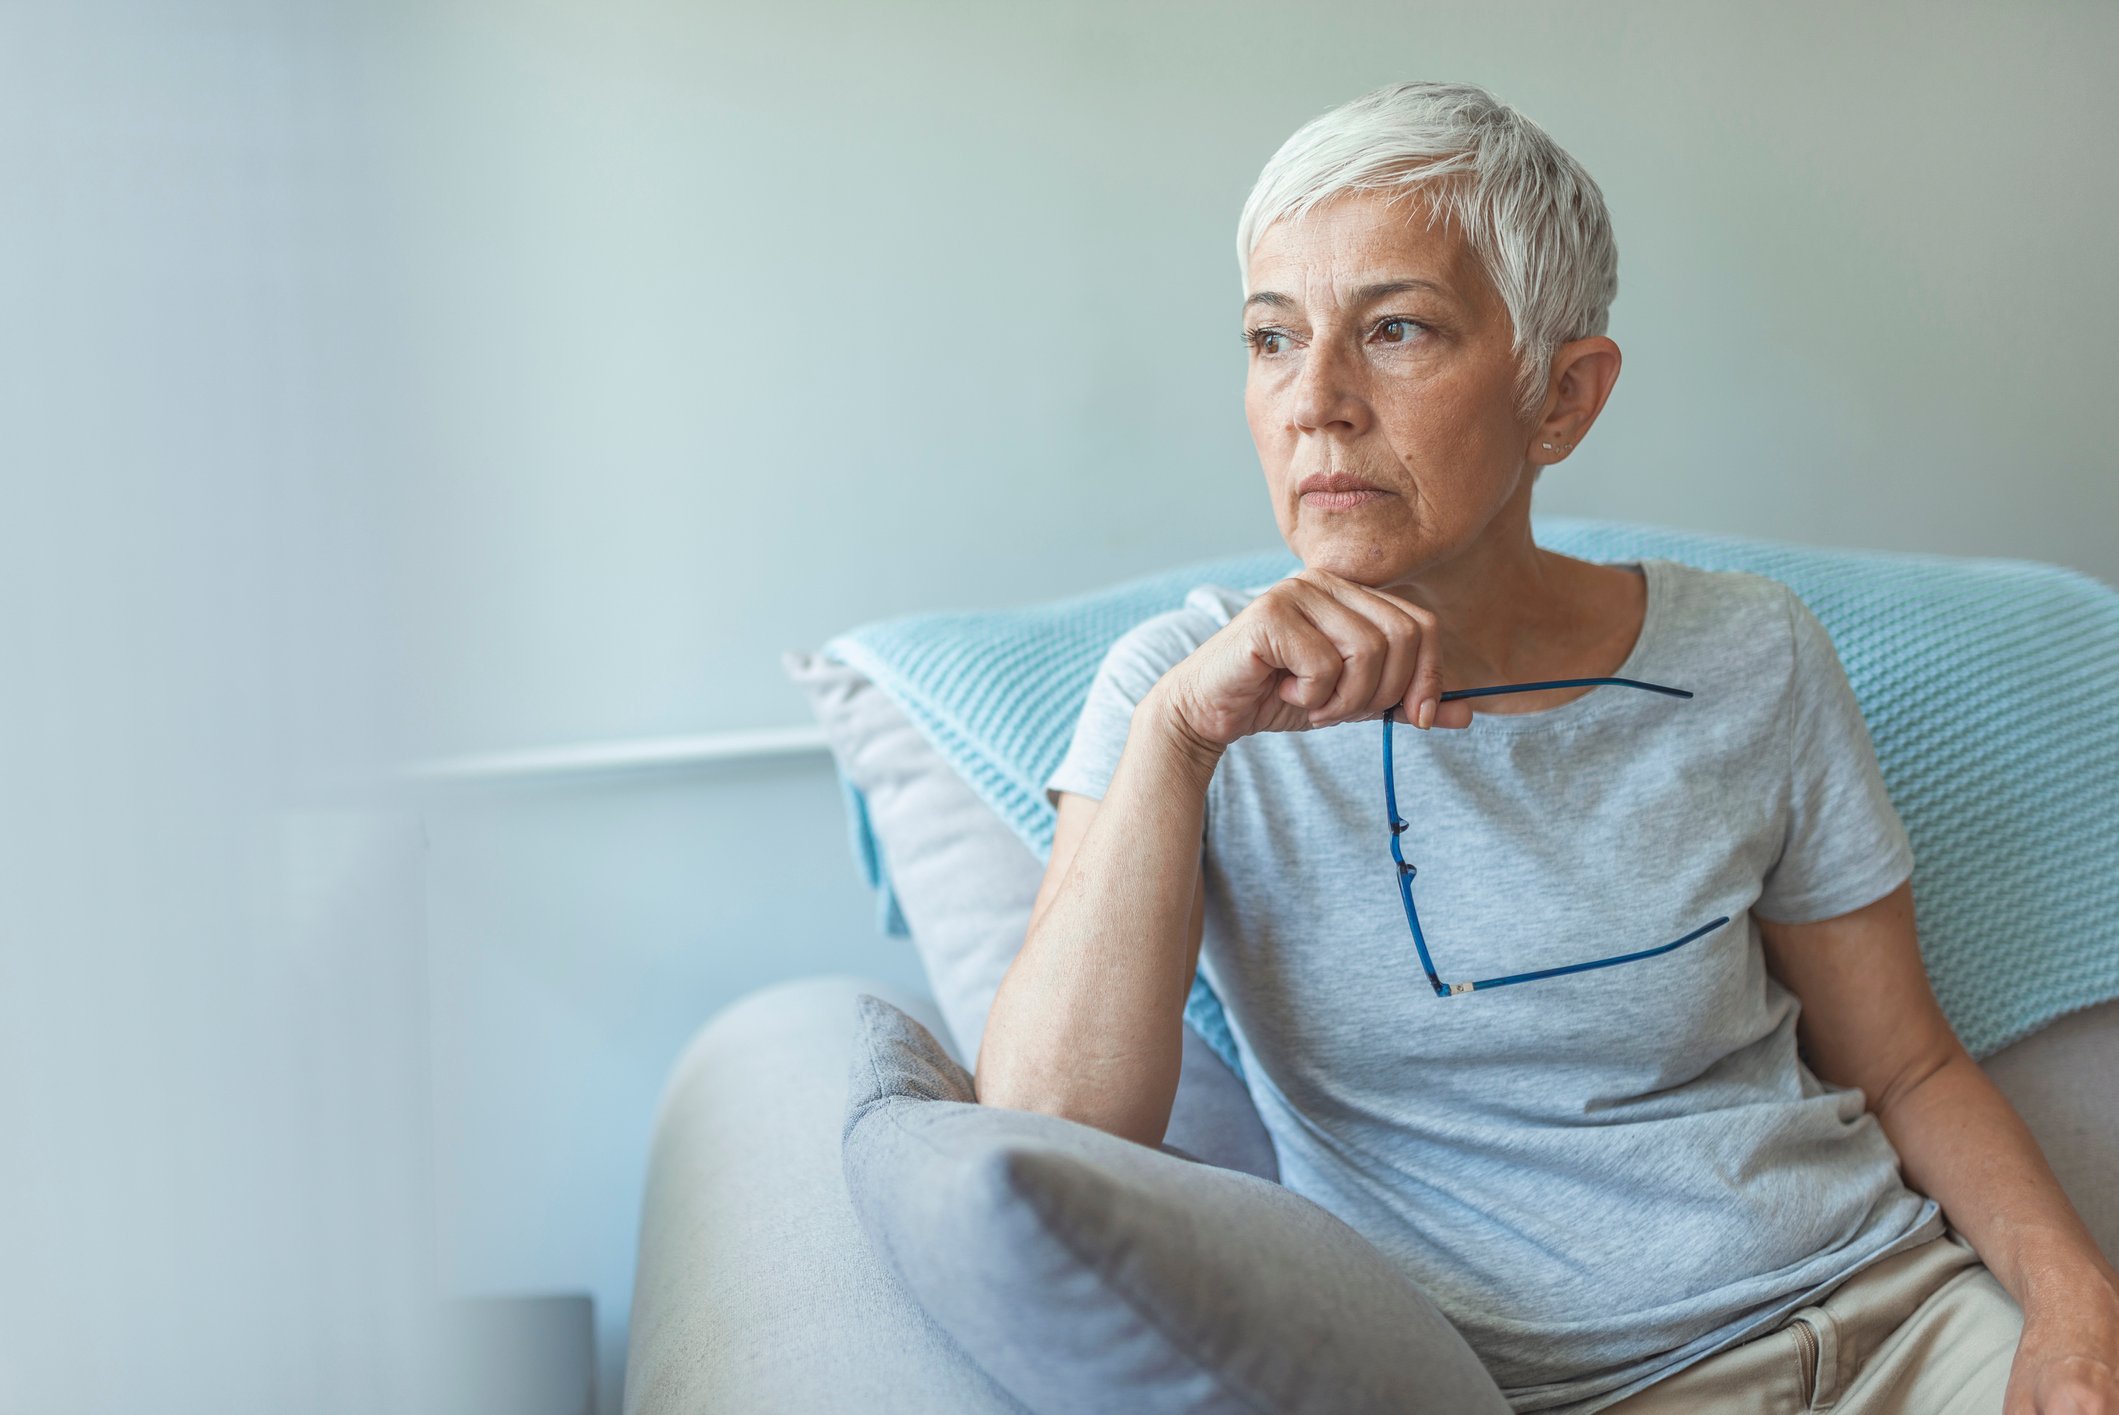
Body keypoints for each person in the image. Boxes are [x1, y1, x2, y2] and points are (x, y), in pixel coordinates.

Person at [974, 80, 2119, 1414]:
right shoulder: (1179, 697)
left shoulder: (1753, 655)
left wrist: (2077, 1309)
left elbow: (1909, 1061)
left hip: (1902, 1318)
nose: (1317, 402)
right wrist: (1180, 740)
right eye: (1272, 339)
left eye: (1396, 328)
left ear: (1561, 397)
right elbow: (1049, 1136)